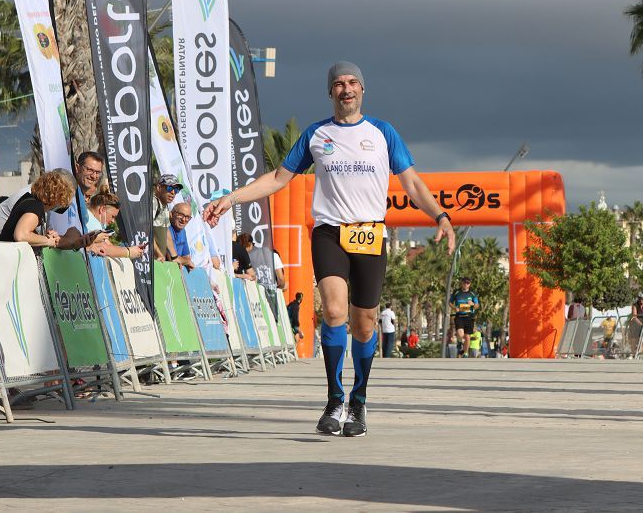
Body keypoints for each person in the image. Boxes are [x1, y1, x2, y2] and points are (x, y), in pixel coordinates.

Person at [203, 61, 456, 437]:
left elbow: (413, 184)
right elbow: (277, 178)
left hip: (370, 236)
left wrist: (441, 216)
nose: (346, 88)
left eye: (353, 82)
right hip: (329, 234)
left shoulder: (383, 133)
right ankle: (335, 399)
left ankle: (359, 402)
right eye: (338, 83)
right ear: (330, 92)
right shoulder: (316, 134)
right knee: (335, 310)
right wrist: (232, 197)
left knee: (365, 323)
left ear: (363, 90)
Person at [0, 171, 76, 248]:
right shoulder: (35, 207)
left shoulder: (29, 200)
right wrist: (47, 240)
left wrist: (44, 238)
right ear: (58, 197)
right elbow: (21, 235)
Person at [47, 151, 107, 240]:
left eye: (98, 172)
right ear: (77, 168)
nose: (94, 176)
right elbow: (53, 228)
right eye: (90, 170)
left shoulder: (79, 197)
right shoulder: (64, 193)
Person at [83, 191, 145, 260]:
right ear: (102, 209)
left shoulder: (89, 217)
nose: (113, 221)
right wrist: (129, 252)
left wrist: (132, 250)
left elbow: (109, 245)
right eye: (112, 216)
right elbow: (105, 248)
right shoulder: (93, 223)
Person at [151, 174, 183, 261]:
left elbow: (166, 234)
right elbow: (146, 232)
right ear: (159, 188)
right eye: (169, 188)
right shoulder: (153, 202)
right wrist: (158, 254)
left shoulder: (164, 206)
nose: (173, 193)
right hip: (148, 262)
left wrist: (175, 257)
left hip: (158, 261)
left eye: (176, 190)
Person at [449, 276, 481, 358]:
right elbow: (450, 302)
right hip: (459, 316)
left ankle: (465, 353)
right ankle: (461, 341)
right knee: (460, 334)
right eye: (465, 283)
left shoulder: (472, 294)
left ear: (469, 284)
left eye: (468, 283)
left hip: (469, 317)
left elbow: (477, 306)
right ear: (462, 283)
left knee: (467, 336)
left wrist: (473, 304)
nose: (466, 284)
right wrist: (454, 308)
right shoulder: (457, 292)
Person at [166, 202, 195, 270]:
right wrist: (186, 262)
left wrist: (184, 261)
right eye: (181, 215)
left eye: (187, 217)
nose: (184, 219)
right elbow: (172, 259)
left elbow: (187, 257)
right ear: (171, 214)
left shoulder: (183, 231)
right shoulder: (166, 228)